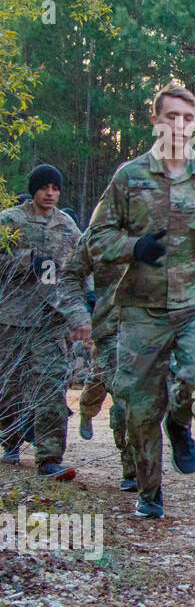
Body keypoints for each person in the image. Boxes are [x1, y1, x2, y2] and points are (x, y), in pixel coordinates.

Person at [86, 82, 195, 518]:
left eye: (188, 118)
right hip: (142, 308)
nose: (179, 125)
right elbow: (97, 237)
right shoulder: (129, 177)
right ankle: (149, 493)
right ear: (156, 121)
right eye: (171, 117)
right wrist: (133, 247)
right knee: (139, 408)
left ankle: (181, 422)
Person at [0, 164, 91, 478]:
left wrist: (85, 304)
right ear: (34, 190)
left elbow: (81, 266)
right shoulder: (10, 221)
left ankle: (49, 458)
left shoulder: (67, 226)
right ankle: (10, 438)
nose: (50, 194)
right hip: (12, 318)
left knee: (52, 386)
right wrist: (27, 261)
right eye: (44, 188)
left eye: (55, 188)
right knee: (10, 387)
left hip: (51, 320)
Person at [65, 230, 135, 488]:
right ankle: (87, 410)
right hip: (109, 328)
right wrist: (81, 316)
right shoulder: (100, 230)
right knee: (110, 386)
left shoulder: (160, 222)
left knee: (139, 398)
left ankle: (139, 468)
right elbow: (71, 275)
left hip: (148, 329)